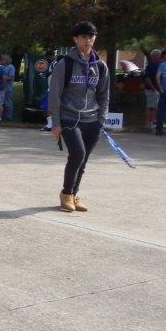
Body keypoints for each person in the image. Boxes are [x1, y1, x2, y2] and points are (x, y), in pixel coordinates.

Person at [48, 21, 110, 213]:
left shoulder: (100, 66)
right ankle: (66, 193)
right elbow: (55, 95)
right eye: (83, 36)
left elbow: (104, 95)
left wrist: (101, 119)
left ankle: (74, 194)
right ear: (75, 39)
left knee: (83, 160)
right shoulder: (65, 64)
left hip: (92, 119)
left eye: (91, 36)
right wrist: (55, 123)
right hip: (69, 118)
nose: (87, 40)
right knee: (78, 154)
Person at [142, 49, 162, 131]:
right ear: (155, 56)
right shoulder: (151, 66)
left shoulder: (158, 65)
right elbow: (147, 78)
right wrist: (153, 88)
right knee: (151, 107)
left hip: (156, 89)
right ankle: (149, 123)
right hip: (151, 89)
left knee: (154, 106)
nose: (160, 57)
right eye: (159, 55)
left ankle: (152, 122)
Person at [1, 55, 15, 121]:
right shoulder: (2, 67)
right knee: (3, 102)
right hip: (2, 88)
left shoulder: (11, 67)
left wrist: (5, 77)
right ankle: (3, 116)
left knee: (8, 102)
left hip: (8, 88)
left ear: (6, 60)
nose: (1, 61)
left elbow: (12, 77)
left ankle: (9, 116)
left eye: (2, 59)